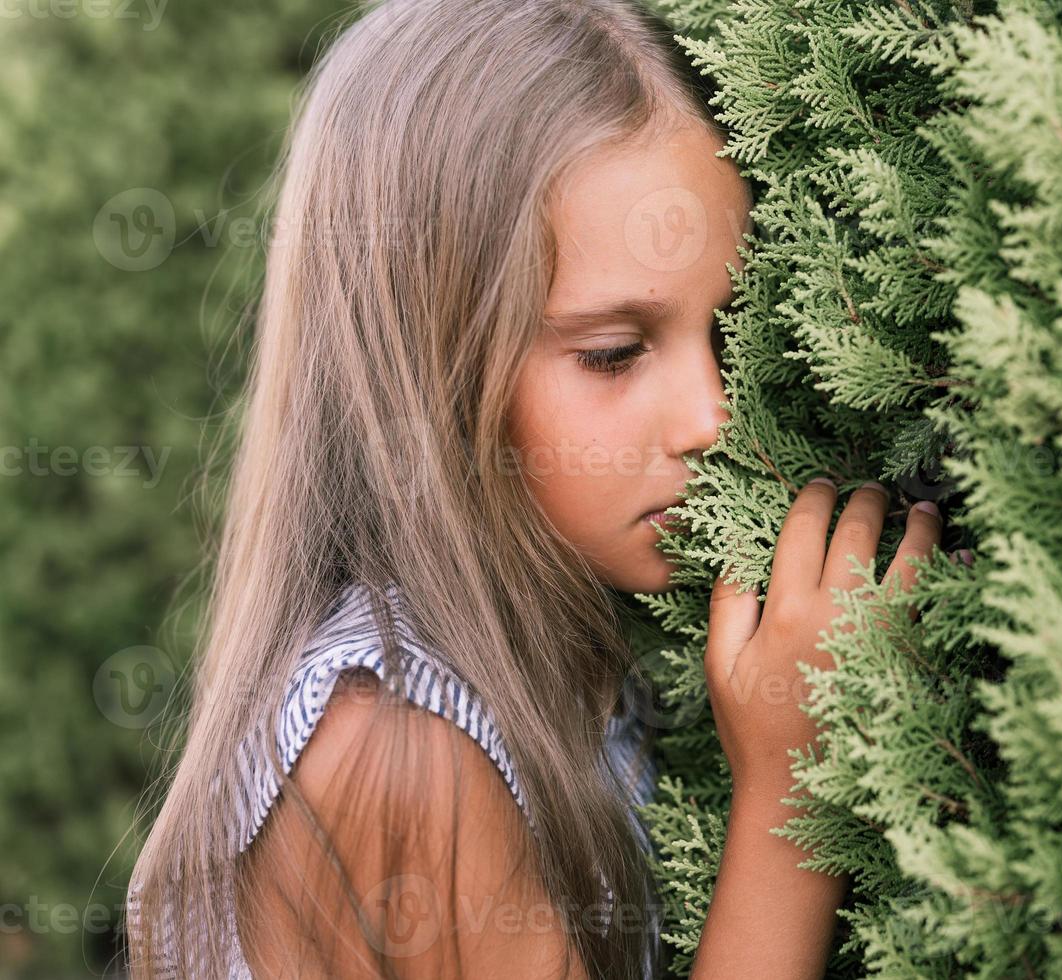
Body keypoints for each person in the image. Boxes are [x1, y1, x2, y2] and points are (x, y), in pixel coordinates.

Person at [125, 1, 946, 977]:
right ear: (429, 368)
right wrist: (790, 788)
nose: (712, 416)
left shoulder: (569, 652)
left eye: (721, 333)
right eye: (613, 352)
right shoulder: (400, 747)